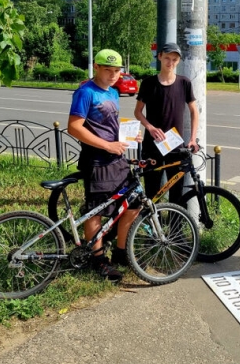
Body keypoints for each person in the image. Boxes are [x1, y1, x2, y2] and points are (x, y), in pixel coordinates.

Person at [68, 49, 141, 282]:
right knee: (95, 211)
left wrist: (128, 137)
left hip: (116, 160)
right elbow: (74, 127)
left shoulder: (113, 92)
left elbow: (109, 123)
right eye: (107, 70)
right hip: (97, 161)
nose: (112, 75)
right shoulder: (85, 92)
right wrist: (107, 146)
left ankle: (121, 252)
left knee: (133, 204)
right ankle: (98, 260)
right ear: (96, 67)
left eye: (117, 70)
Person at [134, 42, 199, 203]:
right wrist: (149, 127)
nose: (170, 63)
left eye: (175, 59)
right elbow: (137, 112)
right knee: (152, 192)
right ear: (160, 57)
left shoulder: (184, 83)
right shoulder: (149, 83)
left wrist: (192, 138)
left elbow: (194, 111)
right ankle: (151, 225)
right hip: (152, 146)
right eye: (167, 58)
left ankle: (175, 227)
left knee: (176, 193)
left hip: (175, 146)